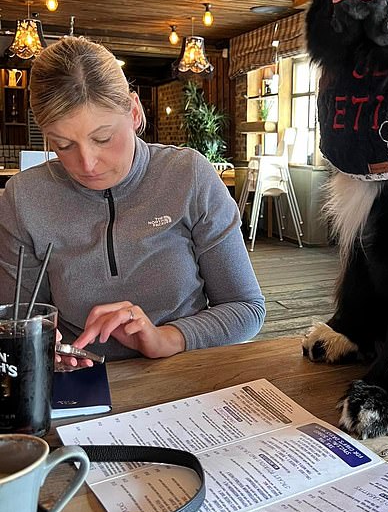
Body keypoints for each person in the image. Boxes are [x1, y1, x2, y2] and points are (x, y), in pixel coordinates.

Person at [0, 36, 265, 364]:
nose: (87, 163)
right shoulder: (24, 198)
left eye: (103, 138)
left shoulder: (188, 175)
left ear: (134, 112)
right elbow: (16, 318)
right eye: (63, 144)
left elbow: (246, 308)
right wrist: (38, 349)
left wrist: (167, 338)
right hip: (76, 383)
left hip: (182, 373)